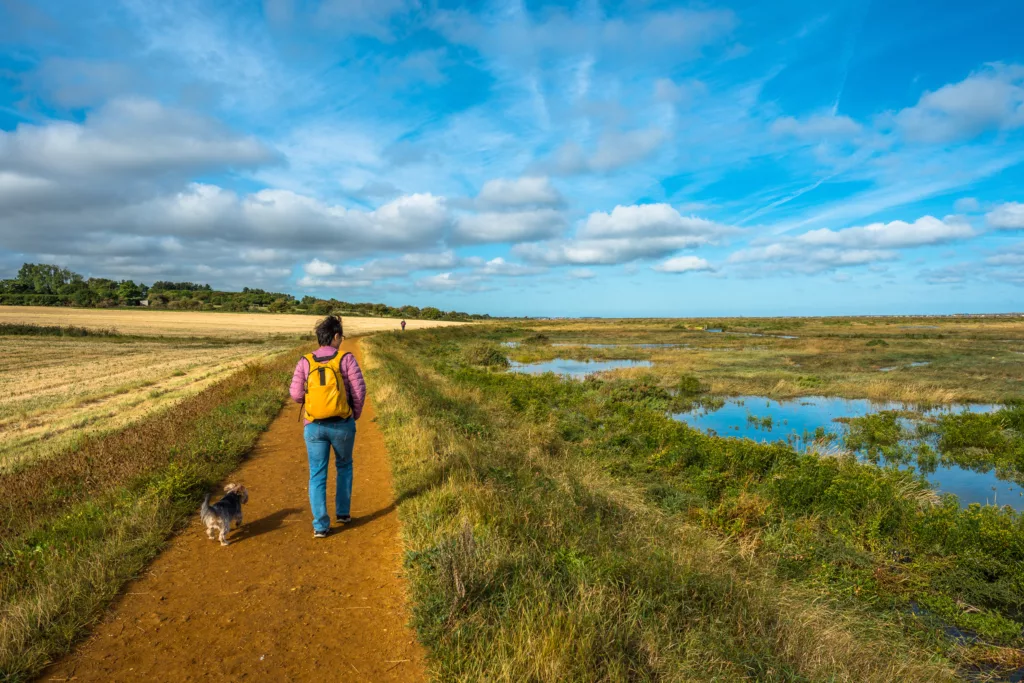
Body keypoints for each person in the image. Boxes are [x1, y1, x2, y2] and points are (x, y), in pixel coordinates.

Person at [289, 316, 366, 538]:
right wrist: (353, 415)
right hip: (342, 424)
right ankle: (343, 513)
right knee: (344, 466)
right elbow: (359, 392)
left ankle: (321, 526)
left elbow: (295, 394)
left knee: (317, 473)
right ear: (335, 336)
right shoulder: (346, 359)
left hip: (314, 426)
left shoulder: (305, 361)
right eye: (341, 337)